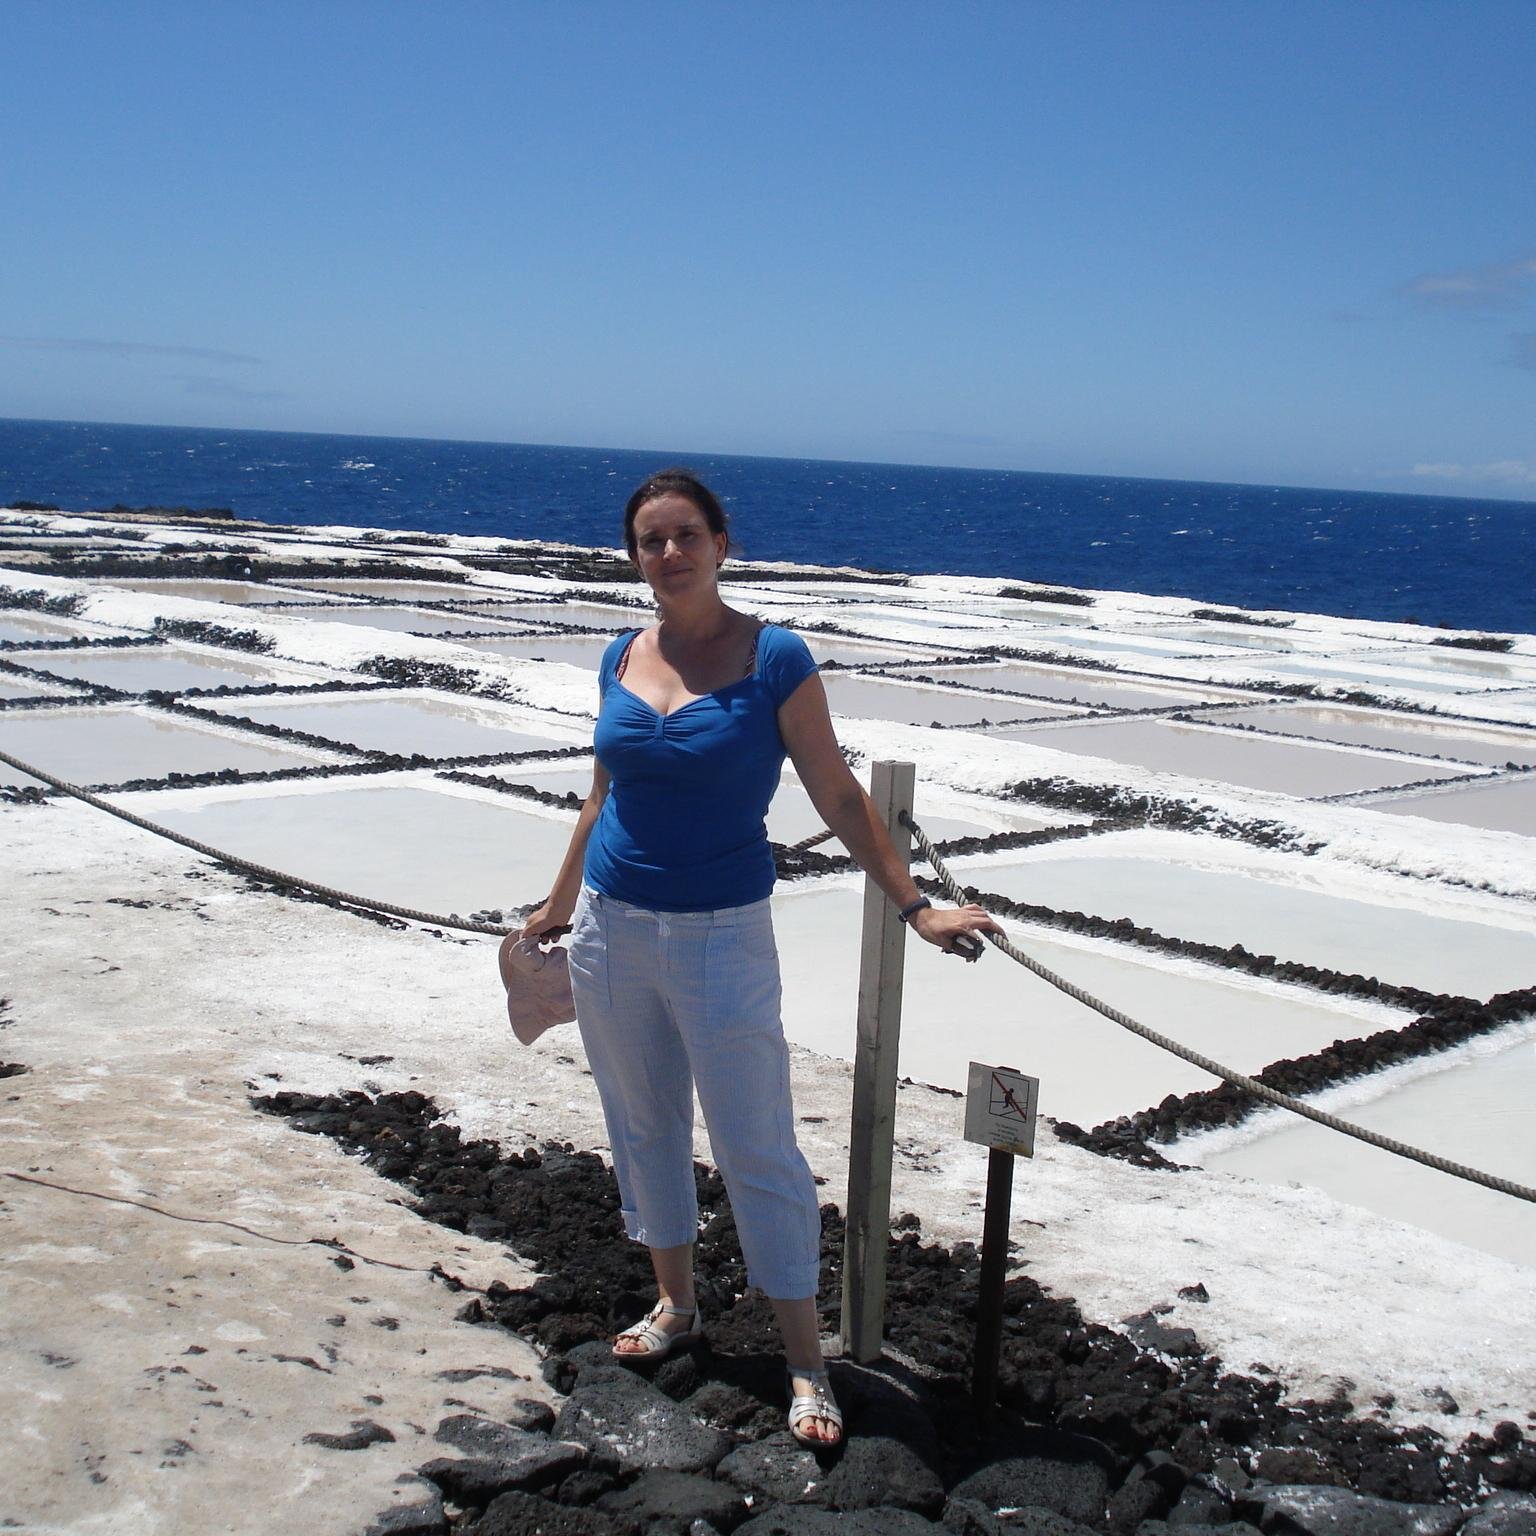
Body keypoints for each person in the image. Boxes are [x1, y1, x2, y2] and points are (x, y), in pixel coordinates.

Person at [521, 468, 999, 1449]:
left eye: (685, 534)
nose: (669, 554)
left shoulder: (775, 658)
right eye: (650, 540)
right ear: (634, 556)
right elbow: (601, 793)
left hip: (721, 935)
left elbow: (835, 795)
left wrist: (915, 907)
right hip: (613, 928)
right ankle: (677, 1304)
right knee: (642, 1122)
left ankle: (803, 1362)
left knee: (757, 1150)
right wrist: (562, 901)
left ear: (722, 542)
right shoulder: (620, 652)